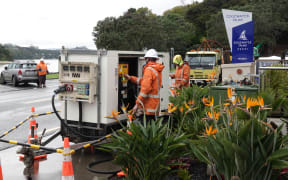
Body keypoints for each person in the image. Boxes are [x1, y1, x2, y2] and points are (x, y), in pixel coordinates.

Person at [124, 49, 164, 123]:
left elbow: (146, 88)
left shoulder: (149, 70)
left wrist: (137, 103)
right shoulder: (156, 69)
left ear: (148, 59)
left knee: (144, 128)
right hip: (154, 106)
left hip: (148, 107)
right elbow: (144, 82)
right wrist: (130, 78)